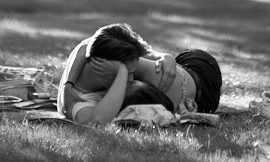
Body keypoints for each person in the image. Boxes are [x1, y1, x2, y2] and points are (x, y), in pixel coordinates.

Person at [57, 22, 222, 126]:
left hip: (200, 65)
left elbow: (88, 42)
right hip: (204, 97)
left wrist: (163, 56)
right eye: (128, 73)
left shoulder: (92, 54)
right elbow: (95, 120)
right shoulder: (77, 100)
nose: (131, 79)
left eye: (130, 72)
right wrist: (122, 73)